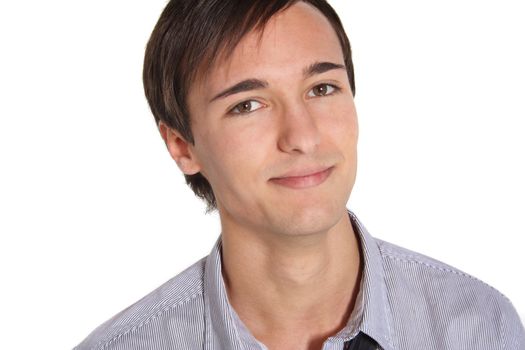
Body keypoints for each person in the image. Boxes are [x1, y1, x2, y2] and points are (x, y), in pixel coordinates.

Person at [75, 0, 525, 349]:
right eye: (247, 104)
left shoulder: (480, 326)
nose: (303, 137)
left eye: (322, 88)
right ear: (181, 145)